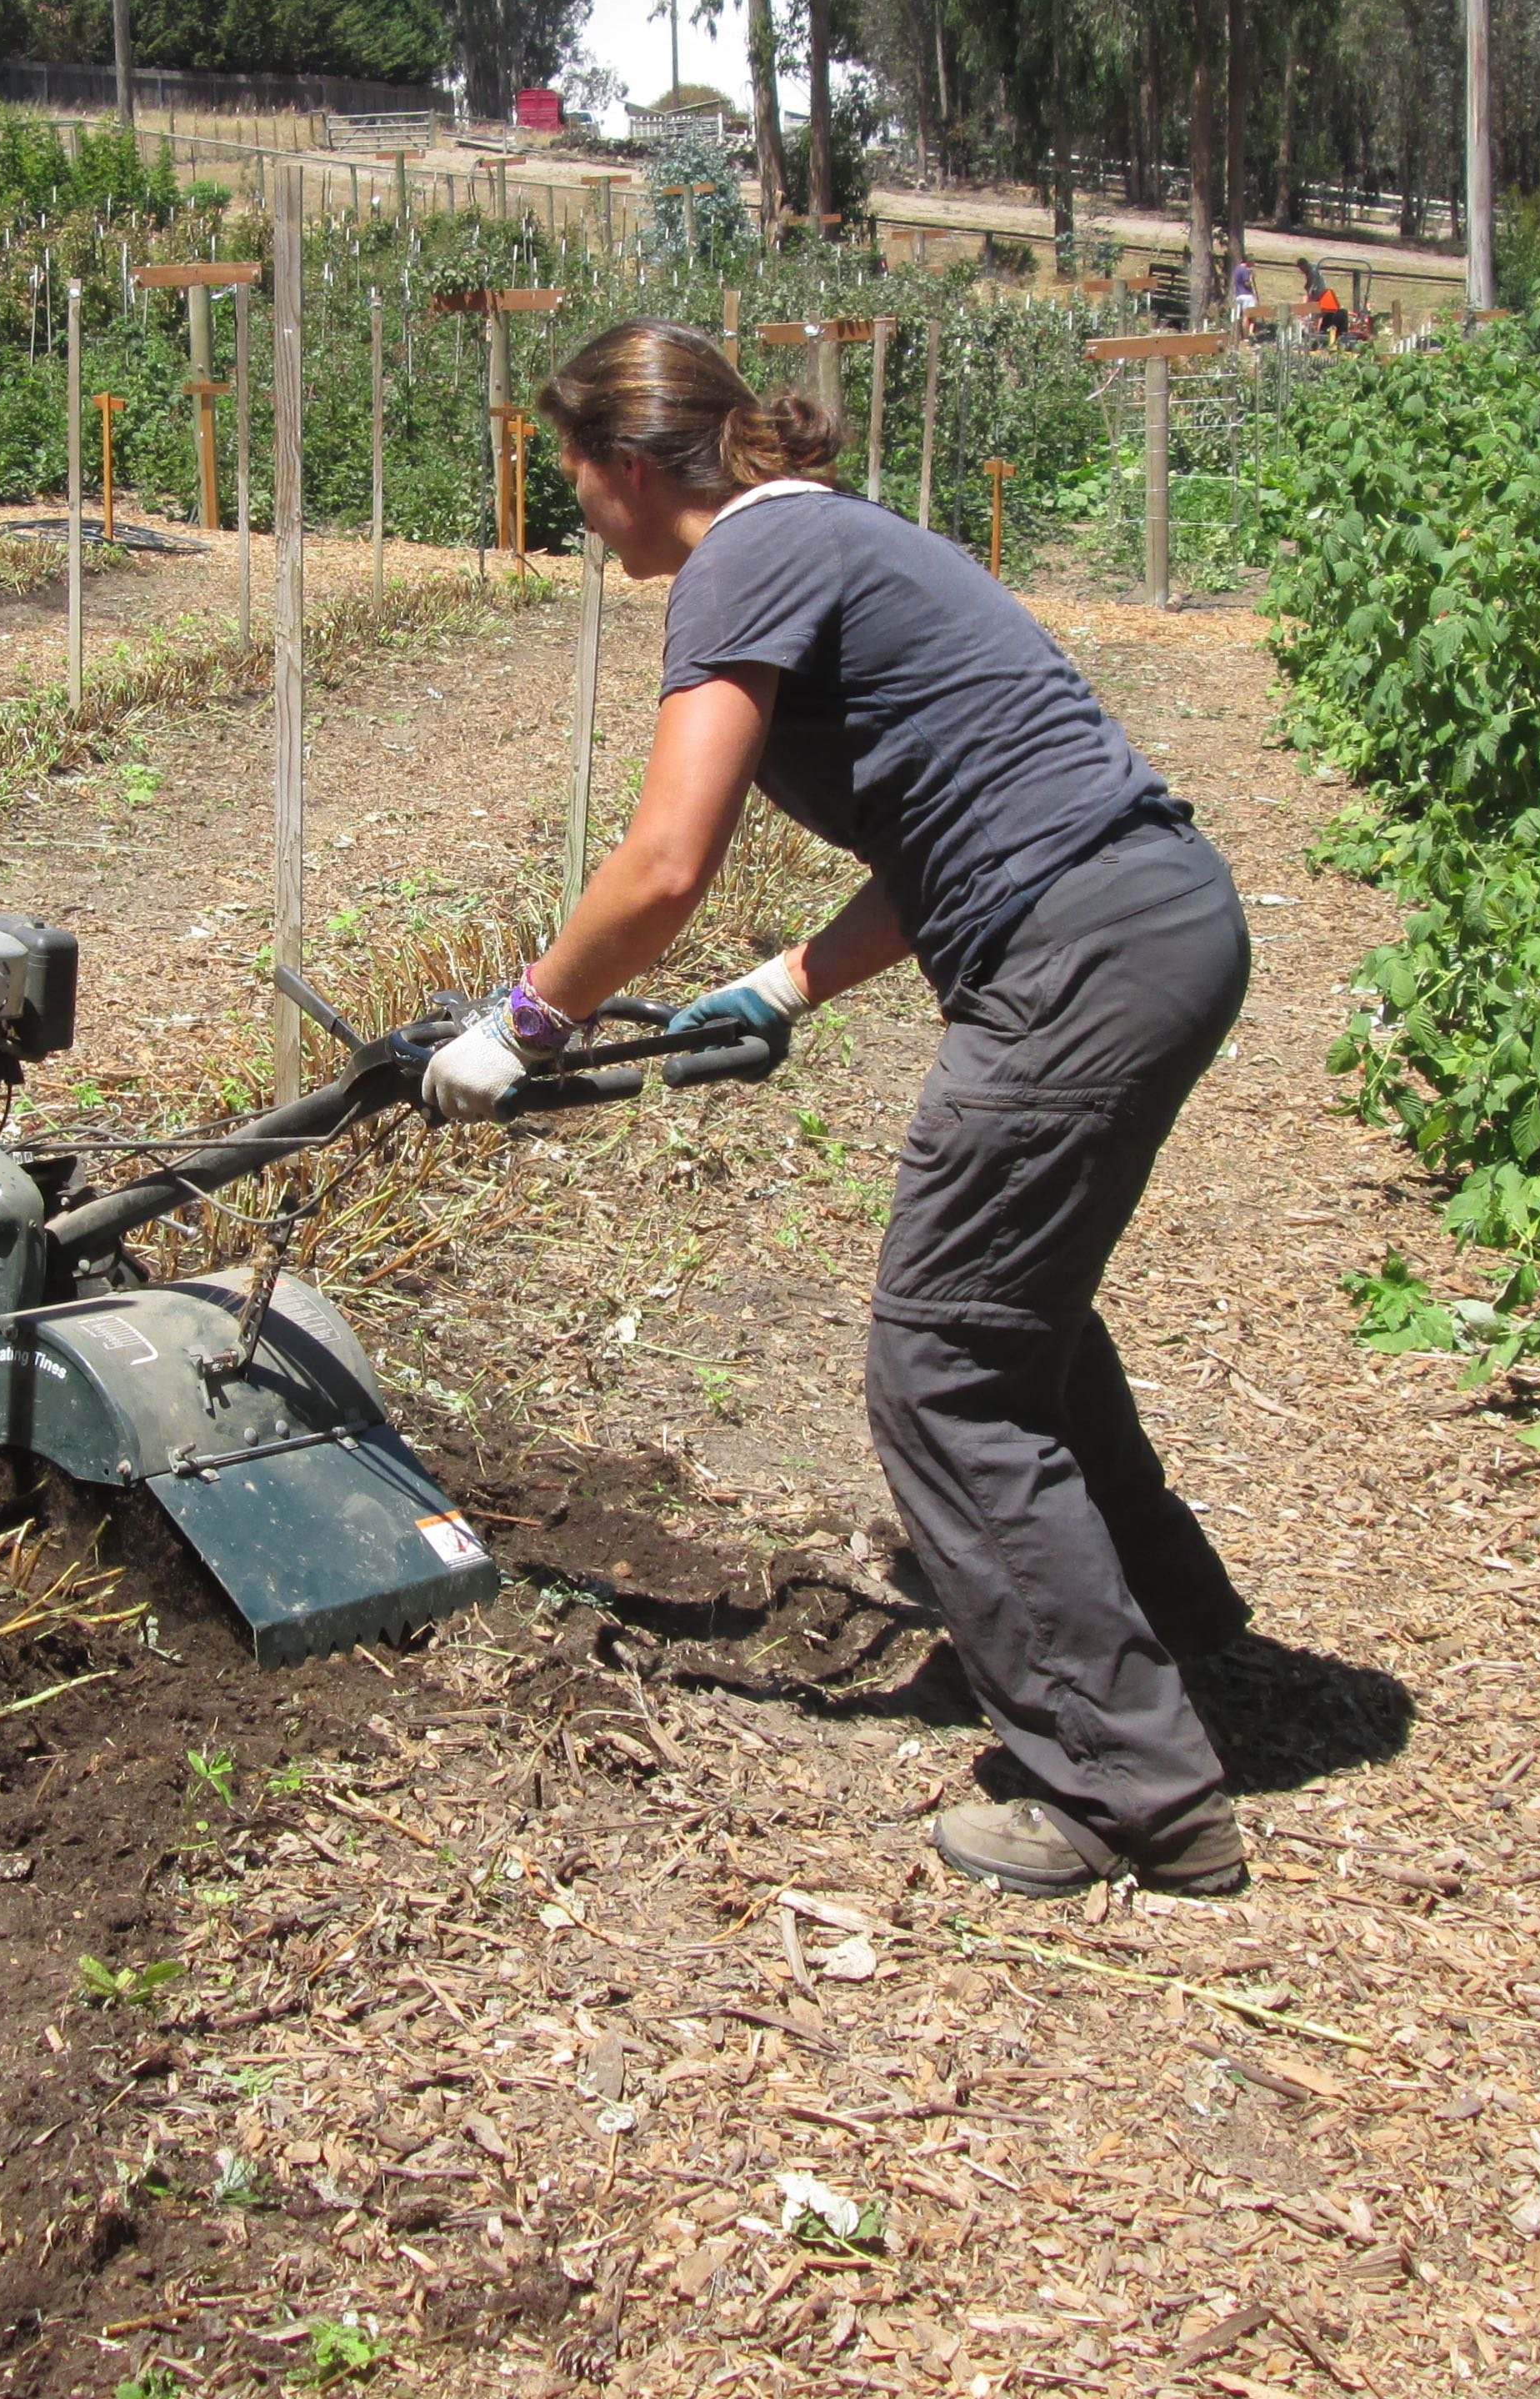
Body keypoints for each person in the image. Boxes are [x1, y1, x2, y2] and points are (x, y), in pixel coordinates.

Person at [422, 321, 1258, 1898]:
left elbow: (668, 861)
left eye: (573, 480)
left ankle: (1128, 1789)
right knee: (1019, 1315)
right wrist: (787, 986)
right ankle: (1176, 1620)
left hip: (1081, 950)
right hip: (1153, 915)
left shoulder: (741, 563)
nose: (574, 514)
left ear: (628, 466)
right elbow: (953, 838)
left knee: (945, 1363)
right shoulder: (833, 531)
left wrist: (527, 1022)